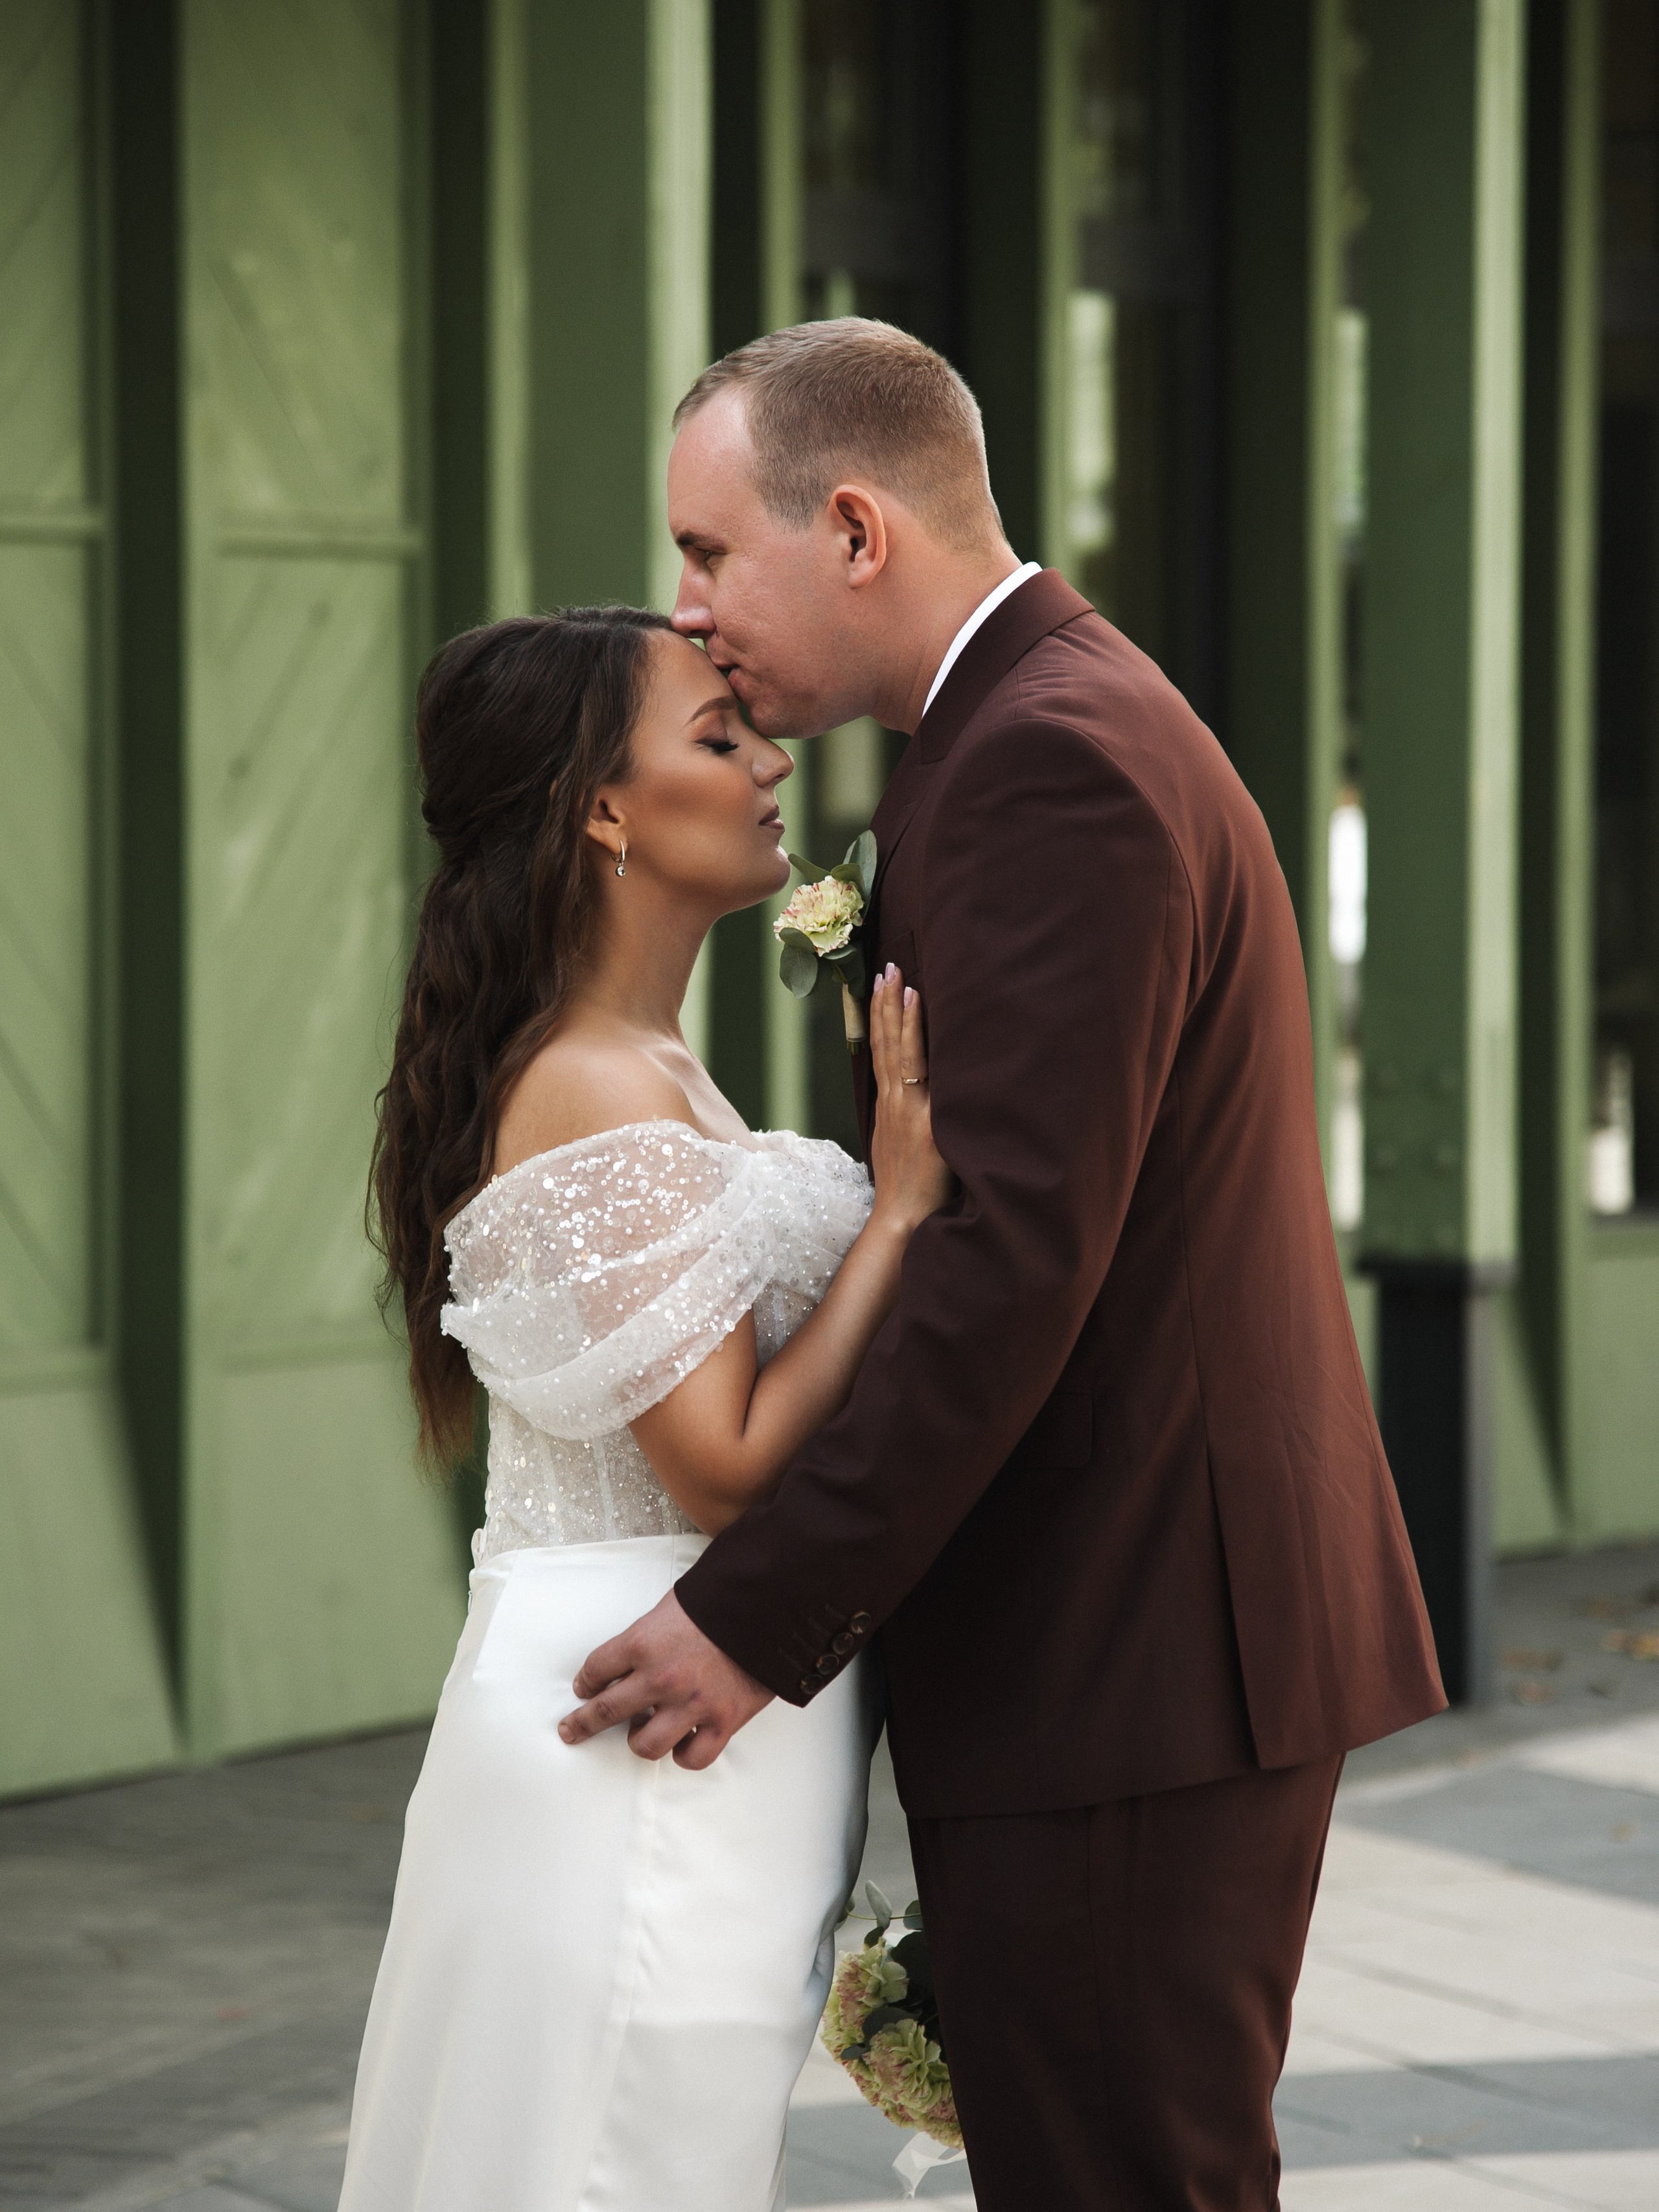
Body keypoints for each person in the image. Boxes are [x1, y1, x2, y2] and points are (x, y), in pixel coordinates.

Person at [558, 318, 1448, 2210]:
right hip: (1115, 1649)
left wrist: (754, 1613)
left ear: (857, 531)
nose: (693, 609)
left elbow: (1015, 1262)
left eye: (713, 552)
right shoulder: (1029, 728)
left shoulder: (1056, 761)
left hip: (1136, 1647)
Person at [338, 603, 953, 2212]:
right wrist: (892, 1216)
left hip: (687, 1721)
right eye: (715, 738)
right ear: (602, 809)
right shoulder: (594, 1080)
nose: (770, 761)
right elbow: (729, 1467)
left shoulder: (649, 1062)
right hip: (635, 1730)